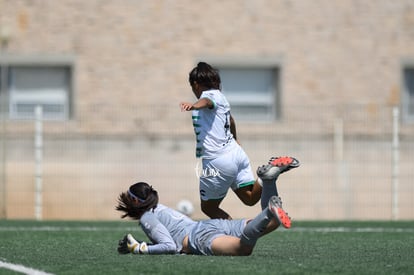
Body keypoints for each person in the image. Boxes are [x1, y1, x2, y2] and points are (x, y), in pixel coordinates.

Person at [180, 62, 299, 219]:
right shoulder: (221, 97)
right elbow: (231, 120)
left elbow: (206, 102)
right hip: (236, 154)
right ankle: (265, 177)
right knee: (249, 198)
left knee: (209, 207)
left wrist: (194, 106)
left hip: (217, 160)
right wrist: (235, 139)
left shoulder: (208, 96)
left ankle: (234, 235)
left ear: (195, 84)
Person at [116, 157, 298, 256]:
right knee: (273, 223)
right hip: (209, 226)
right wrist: (143, 243)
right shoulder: (159, 208)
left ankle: (269, 211)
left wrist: (140, 249)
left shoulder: (147, 217)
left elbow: (169, 246)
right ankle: (268, 180)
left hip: (199, 237)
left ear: (136, 201)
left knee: (243, 248)